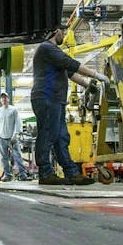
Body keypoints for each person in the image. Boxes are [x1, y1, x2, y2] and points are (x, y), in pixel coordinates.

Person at [30, 27, 106, 186]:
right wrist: (95, 74)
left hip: (55, 100)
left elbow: (70, 73)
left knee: (61, 137)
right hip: (47, 97)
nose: (63, 36)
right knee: (48, 134)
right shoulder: (47, 48)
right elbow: (70, 63)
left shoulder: (52, 53)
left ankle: (71, 173)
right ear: (56, 31)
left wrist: (89, 85)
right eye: (63, 32)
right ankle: (45, 173)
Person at [0, 92, 24, 181]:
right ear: (0, 100)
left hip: (12, 138)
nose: (4, 99)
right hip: (2, 138)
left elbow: (18, 123)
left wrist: (15, 135)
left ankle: (22, 175)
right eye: (2, 98)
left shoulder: (13, 110)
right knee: (4, 158)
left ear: (8, 99)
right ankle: (7, 175)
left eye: (5, 97)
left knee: (17, 156)